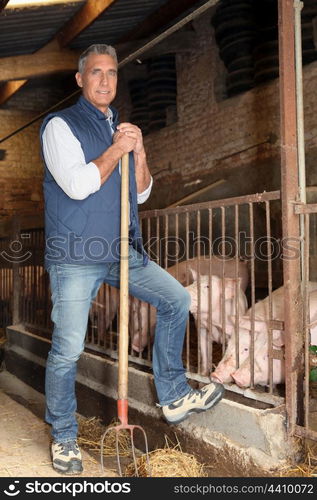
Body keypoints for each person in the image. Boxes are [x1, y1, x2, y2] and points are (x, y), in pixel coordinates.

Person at [40, 44, 224, 475]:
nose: (106, 81)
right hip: (76, 253)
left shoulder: (119, 130)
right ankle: (65, 436)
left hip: (121, 250)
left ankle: (174, 395)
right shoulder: (59, 127)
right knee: (68, 348)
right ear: (80, 80)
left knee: (177, 298)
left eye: (112, 73)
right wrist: (116, 150)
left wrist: (138, 153)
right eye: (96, 73)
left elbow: (140, 193)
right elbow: (79, 184)